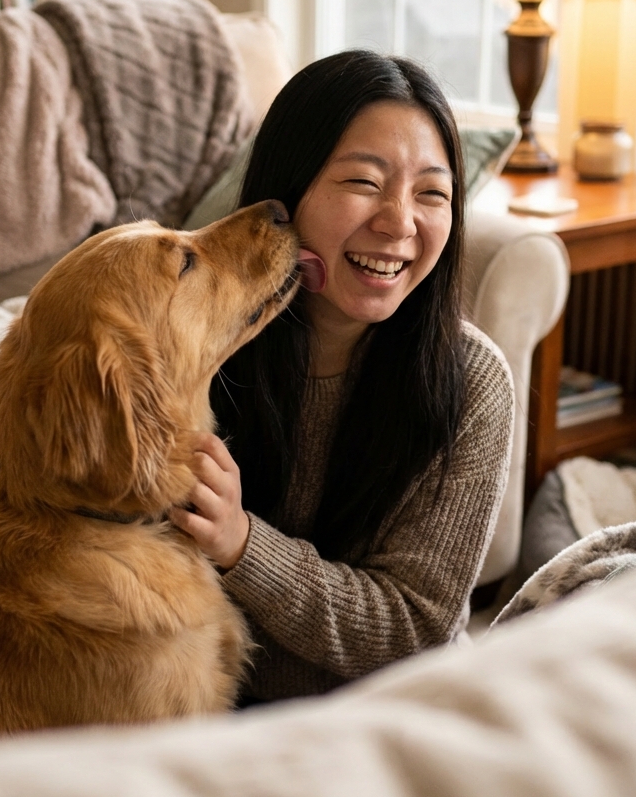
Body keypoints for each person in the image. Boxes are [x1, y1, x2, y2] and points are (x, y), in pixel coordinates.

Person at [169, 50, 515, 703]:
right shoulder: (195, 349)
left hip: (385, 719)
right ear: (287, 189)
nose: (400, 222)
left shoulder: (473, 383)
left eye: (432, 193)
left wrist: (243, 545)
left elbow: (418, 627)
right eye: (363, 182)